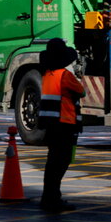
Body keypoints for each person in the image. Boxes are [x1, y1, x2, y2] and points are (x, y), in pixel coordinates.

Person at [38, 37, 84, 211]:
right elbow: (82, 91)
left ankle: (49, 197)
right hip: (65, 124)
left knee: (52, 163)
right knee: (61, 163)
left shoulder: (47, 75)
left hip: (50, 125)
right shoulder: (65, 75)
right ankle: (53, 199)